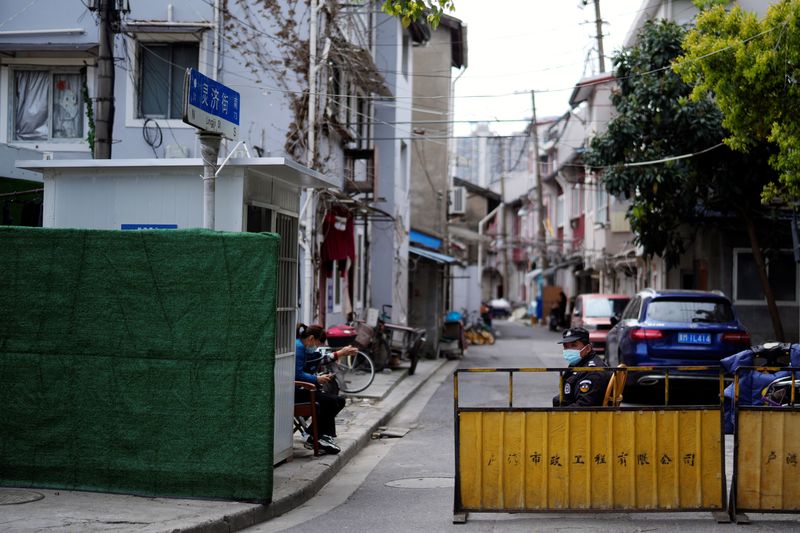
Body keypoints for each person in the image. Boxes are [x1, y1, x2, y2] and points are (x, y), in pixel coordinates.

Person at [295, 324, 358, 454]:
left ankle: (312, 434)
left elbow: (319, 359)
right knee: (329, 402)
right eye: (317, 344)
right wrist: (316, 379)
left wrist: (339, 353)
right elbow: (297, 374)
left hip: (306, 389)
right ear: (311, 338)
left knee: (339, 401)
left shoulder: (304, 348)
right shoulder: (299, 348)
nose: (317, 348)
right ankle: (321, 437)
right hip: (297, 392)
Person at [552, 327, 611, 407]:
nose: (569, 350)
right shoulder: (578, 363)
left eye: (574, 345)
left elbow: (584, 406)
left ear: (587, 348)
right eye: (566, 346)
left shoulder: (593, 372)